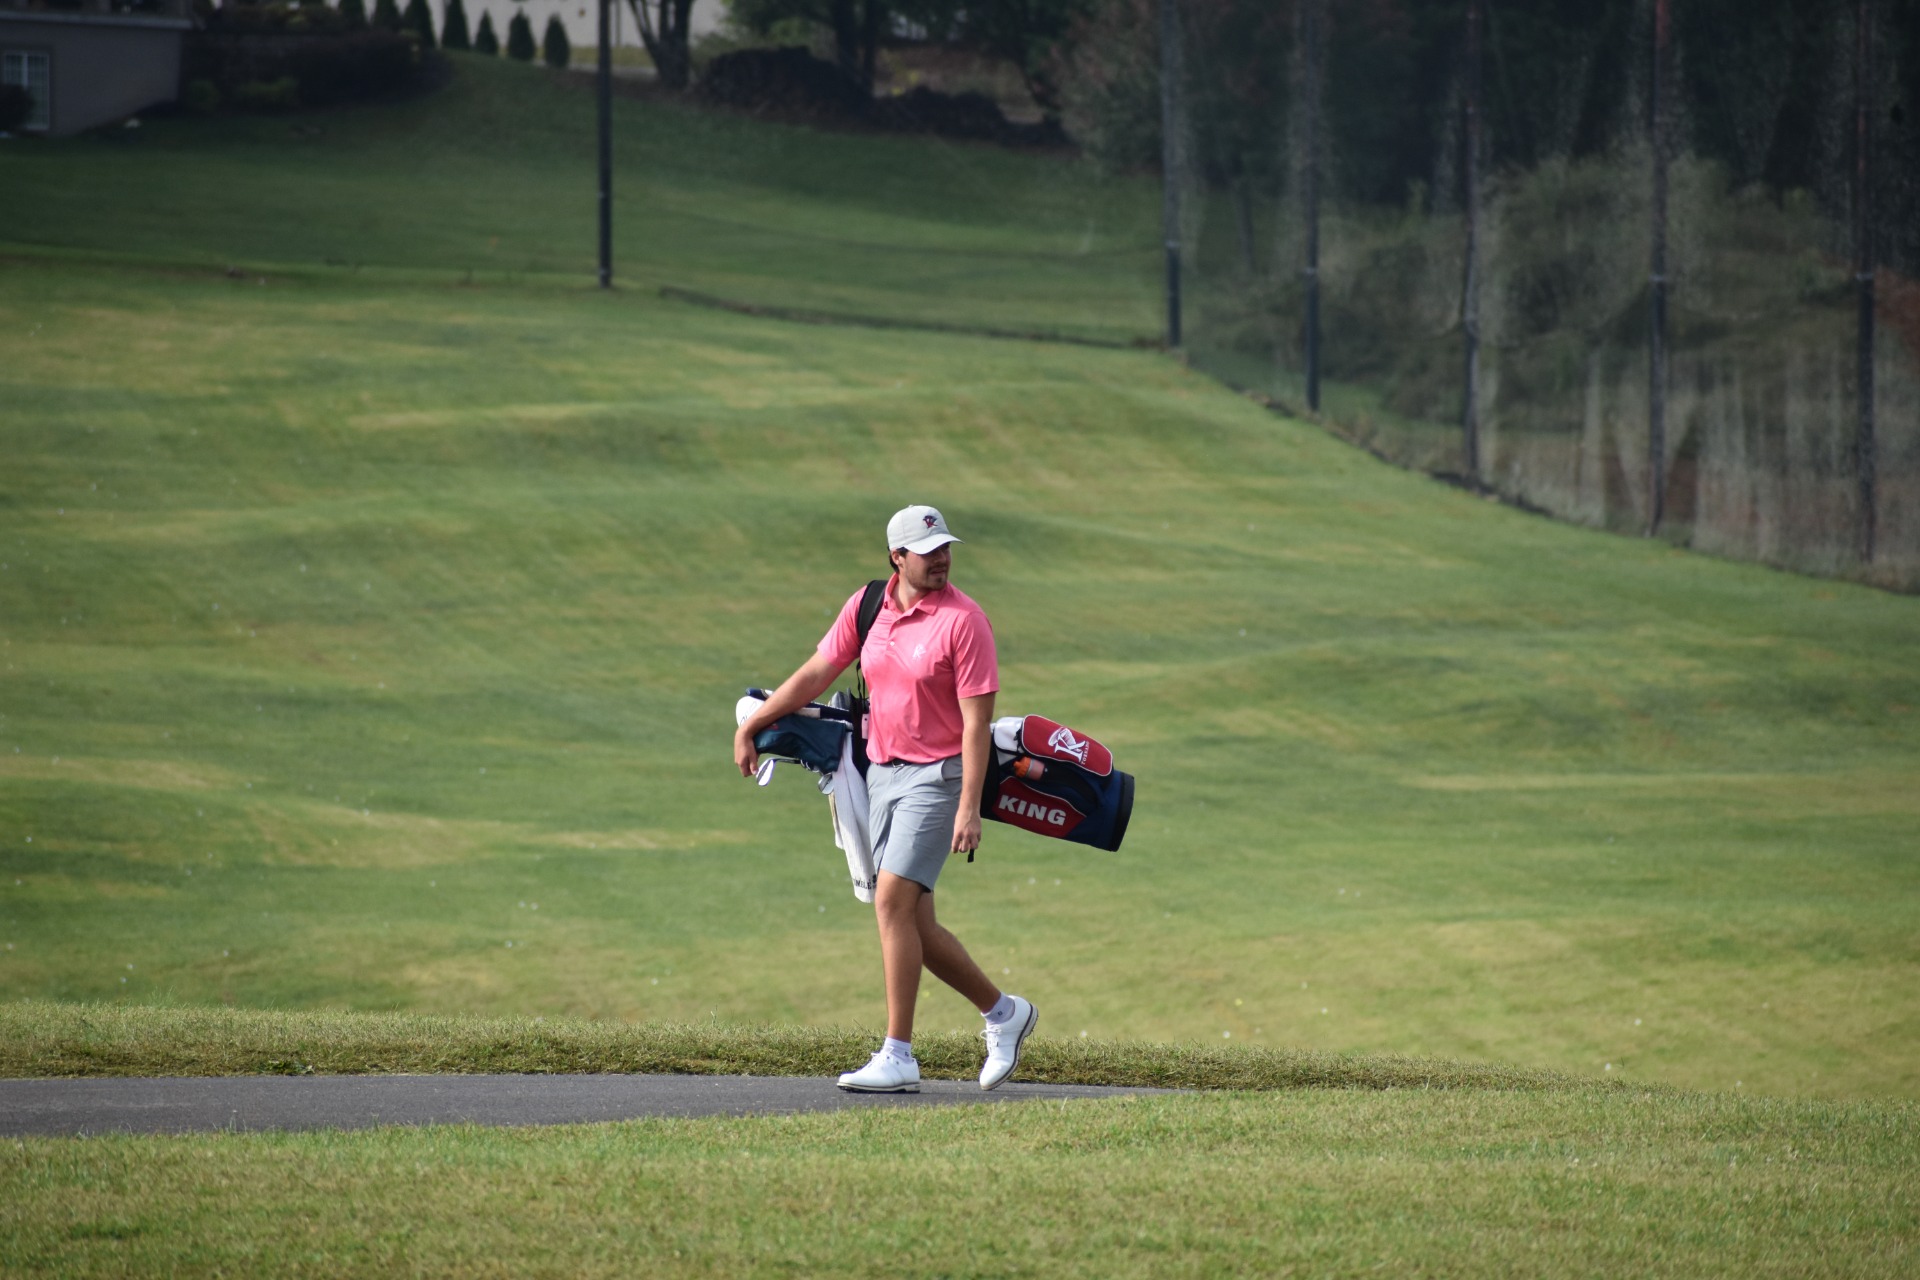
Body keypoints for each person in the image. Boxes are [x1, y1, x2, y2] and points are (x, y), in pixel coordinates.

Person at [733, 504, 1037, 1092]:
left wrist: (970, 807)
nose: (942, 560)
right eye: (928, 553)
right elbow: (817, 672)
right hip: (880, 773)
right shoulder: (869, 605)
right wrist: (754, 725)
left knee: (891, 902)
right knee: (915, 925)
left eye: (946, 549)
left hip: (940, 778)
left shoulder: (965, 621)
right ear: (897, 558)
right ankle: (1005, 1014)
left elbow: (977, 726)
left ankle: (898, 1055)